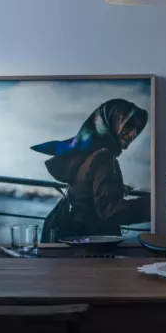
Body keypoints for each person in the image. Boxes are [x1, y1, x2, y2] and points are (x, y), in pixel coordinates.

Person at [32, 98, 151, 242]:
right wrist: (151, 205)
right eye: (128, 126)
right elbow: (108, 211)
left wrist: (117, 187)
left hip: (78, 236)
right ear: (112, 122)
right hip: (95, 241)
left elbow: (87, 186)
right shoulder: (104, 157)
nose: (133, 134)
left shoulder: (86, 152)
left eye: (137, 130)